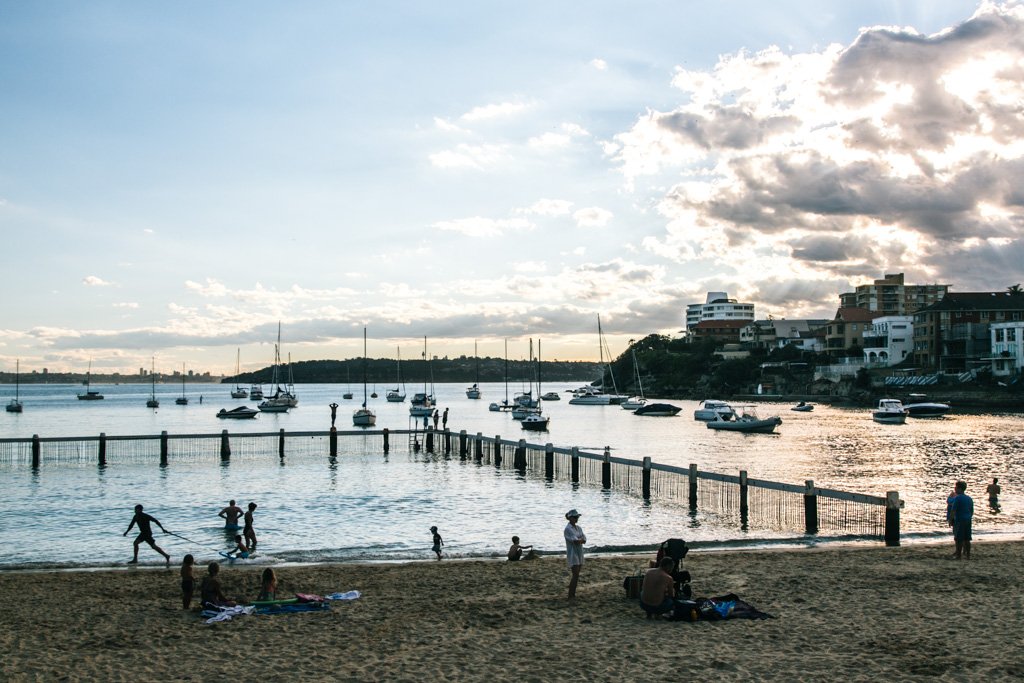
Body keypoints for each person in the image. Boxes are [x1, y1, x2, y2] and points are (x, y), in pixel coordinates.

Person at [563, 509, 586, 599]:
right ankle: (570, 595)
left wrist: (580, 540)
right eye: (575, 517)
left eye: (577, 517)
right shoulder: (568, 529)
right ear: (570, 518)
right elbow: (576, 540)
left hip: (579, 552)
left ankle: (573, 594)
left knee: (576, 575)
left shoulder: (578, 528)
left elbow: (584, 539)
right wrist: (580, 540)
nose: (577, 519)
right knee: (575, 574)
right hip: (573, 553)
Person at [949, 480, 974, 560]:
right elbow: (971, 510)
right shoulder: (969, 498)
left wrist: (950, 520)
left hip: (960, 519)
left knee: (958, 539)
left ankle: (958, 555)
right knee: (967, 538)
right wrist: (969, 517)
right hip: (968, 519)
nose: (955, 489)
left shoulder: (957, 498)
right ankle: (968, 555)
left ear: (959, 489)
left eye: (956, 487)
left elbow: (953, 510)